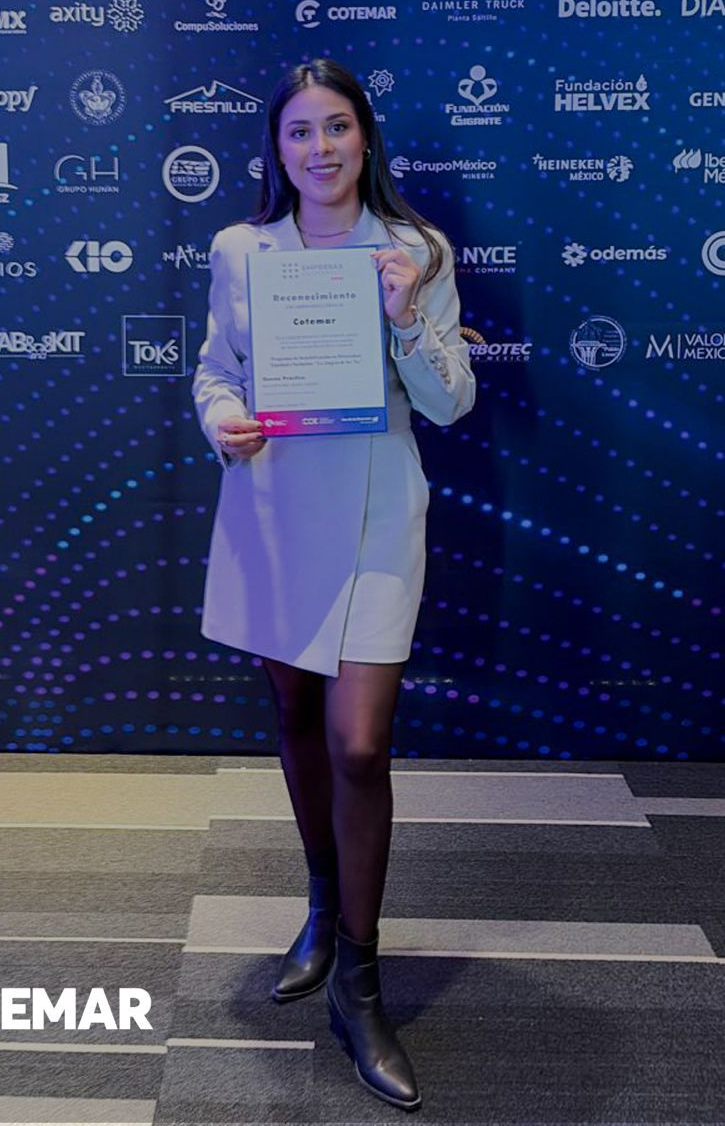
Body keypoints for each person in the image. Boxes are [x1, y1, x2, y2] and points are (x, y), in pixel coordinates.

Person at [192, 59, 475, 1112]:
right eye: (300, 131)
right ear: (277, 148)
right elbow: (216, 369)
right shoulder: (242, 249)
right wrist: (222, 418)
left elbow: (450, 403)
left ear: (366, 138)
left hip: (377, 512)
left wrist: (404, 315)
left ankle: (360, 983)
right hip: (274, 505)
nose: (320, 148)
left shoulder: (416, 249)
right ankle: (323, 901)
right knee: (297, 716)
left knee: (361, 742)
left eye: (338, 127)